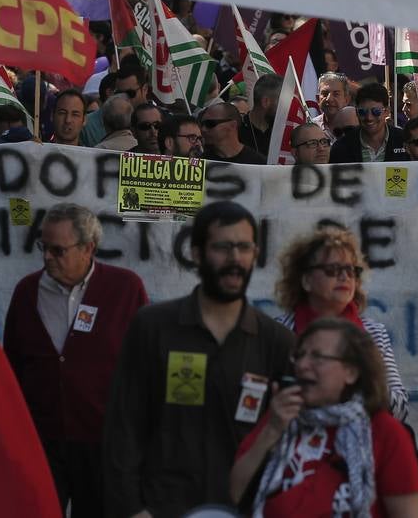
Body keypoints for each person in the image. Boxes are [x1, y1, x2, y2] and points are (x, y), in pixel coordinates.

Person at [103, 201, 295, 517]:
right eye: (222, 247)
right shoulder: (152, 327)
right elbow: (122, 428)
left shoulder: (276, 342)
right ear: (196, 253)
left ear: (255, 254)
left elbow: (291, 444)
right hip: (162, 508)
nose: (235, 259)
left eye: (244, 247)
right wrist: (133, 509)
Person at [3, 204, 148, 518]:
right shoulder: (27, 291)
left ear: (88, 248)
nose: (47, 257)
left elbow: (144, 367)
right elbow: (12, 365)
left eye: (58, 250)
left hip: (102, 443)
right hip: (42, 441)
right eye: (44, 247)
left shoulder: (125, 289)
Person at [230, 318, 418, 517]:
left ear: (351, 372)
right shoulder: (281, 416)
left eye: (318, 357)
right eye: (300, 355)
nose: (303, 365)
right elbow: (235, 493)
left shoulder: (384, 431)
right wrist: (271, 431)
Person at [273, 226, 413, 427]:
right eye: (332, 270)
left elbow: (400, 410)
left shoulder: (373, 334)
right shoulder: (280, 332)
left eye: (350, 270)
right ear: (306, 280)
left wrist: (363, 375)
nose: (344, 277)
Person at [329, 82, 410, 164]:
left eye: (376, 111)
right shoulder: (341, 147)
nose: (369, 118)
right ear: (356, 112)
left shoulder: (405, 141)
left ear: (387, 111)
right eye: (362, 112)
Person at [200, 101, 266, 165]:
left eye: (210, 124)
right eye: (201, 124)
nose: (203, 129)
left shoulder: (258, 163)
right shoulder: (199, 163)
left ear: (232, 125)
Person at [238, 73, 281, 156]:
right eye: (281, 102)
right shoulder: (237, 131)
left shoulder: (282, 131)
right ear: (265, 102)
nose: (284, 107)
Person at [315, 72, 351, 141]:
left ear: (346, 99)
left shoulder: (359, 126)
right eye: (325, 94)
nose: (329, 99)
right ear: (317, 99)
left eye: (336, 94)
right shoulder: (311, 128)